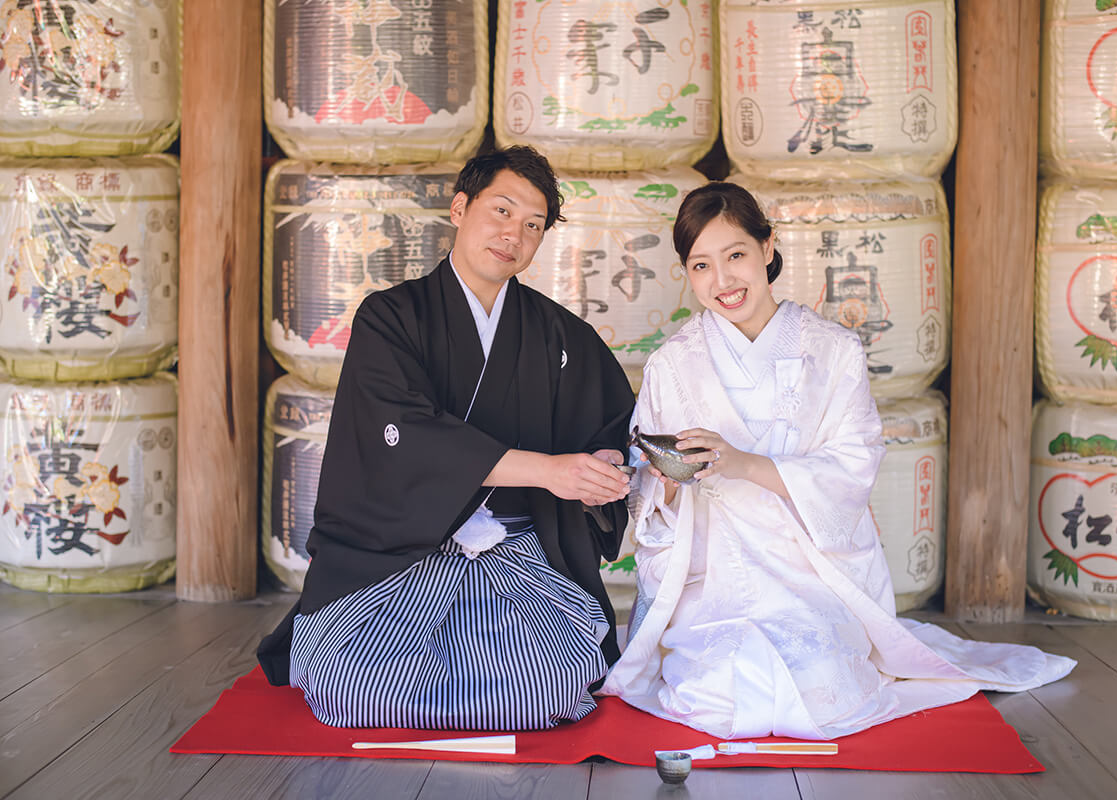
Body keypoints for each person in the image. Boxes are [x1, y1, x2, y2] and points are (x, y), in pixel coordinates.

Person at [600, 182, 1074, 740]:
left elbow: (852, 469)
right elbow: (651, 506)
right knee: (714, 699)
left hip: (811, 577)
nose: (723, 281)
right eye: (701, 265)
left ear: (768, 247)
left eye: (736, 256)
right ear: (687, 272)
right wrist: (668, 480)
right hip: (715, 581)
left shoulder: (834, 351)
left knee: (824, 693)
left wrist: (743, 463)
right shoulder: (671, 366)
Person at [257, 146, 636, 730]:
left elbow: (608, 426)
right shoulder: (390, 317)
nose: (514, 234)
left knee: (543, 690)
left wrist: (601, 469)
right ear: (460, 208)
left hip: (515, 551)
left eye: (533, 226)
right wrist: (549, 470)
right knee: (354, 689)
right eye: (502, 212)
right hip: (397, 553)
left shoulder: (561, 334)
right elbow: (405, 435)